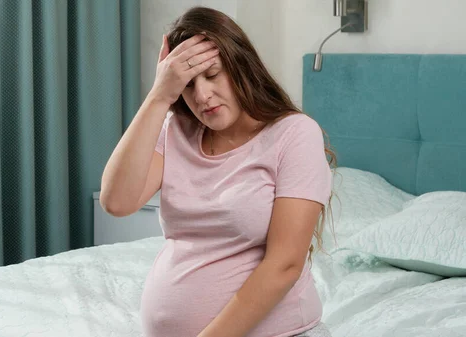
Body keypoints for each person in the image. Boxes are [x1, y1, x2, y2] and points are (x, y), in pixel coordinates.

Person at [100, 6, 335, 337]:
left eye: (212, 75)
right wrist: (159, 96)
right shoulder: (176, 129)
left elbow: (284, 265)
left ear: (241, 67)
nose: (202, 96)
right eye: (187, 84)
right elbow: (116, 202)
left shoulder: (294, 134)